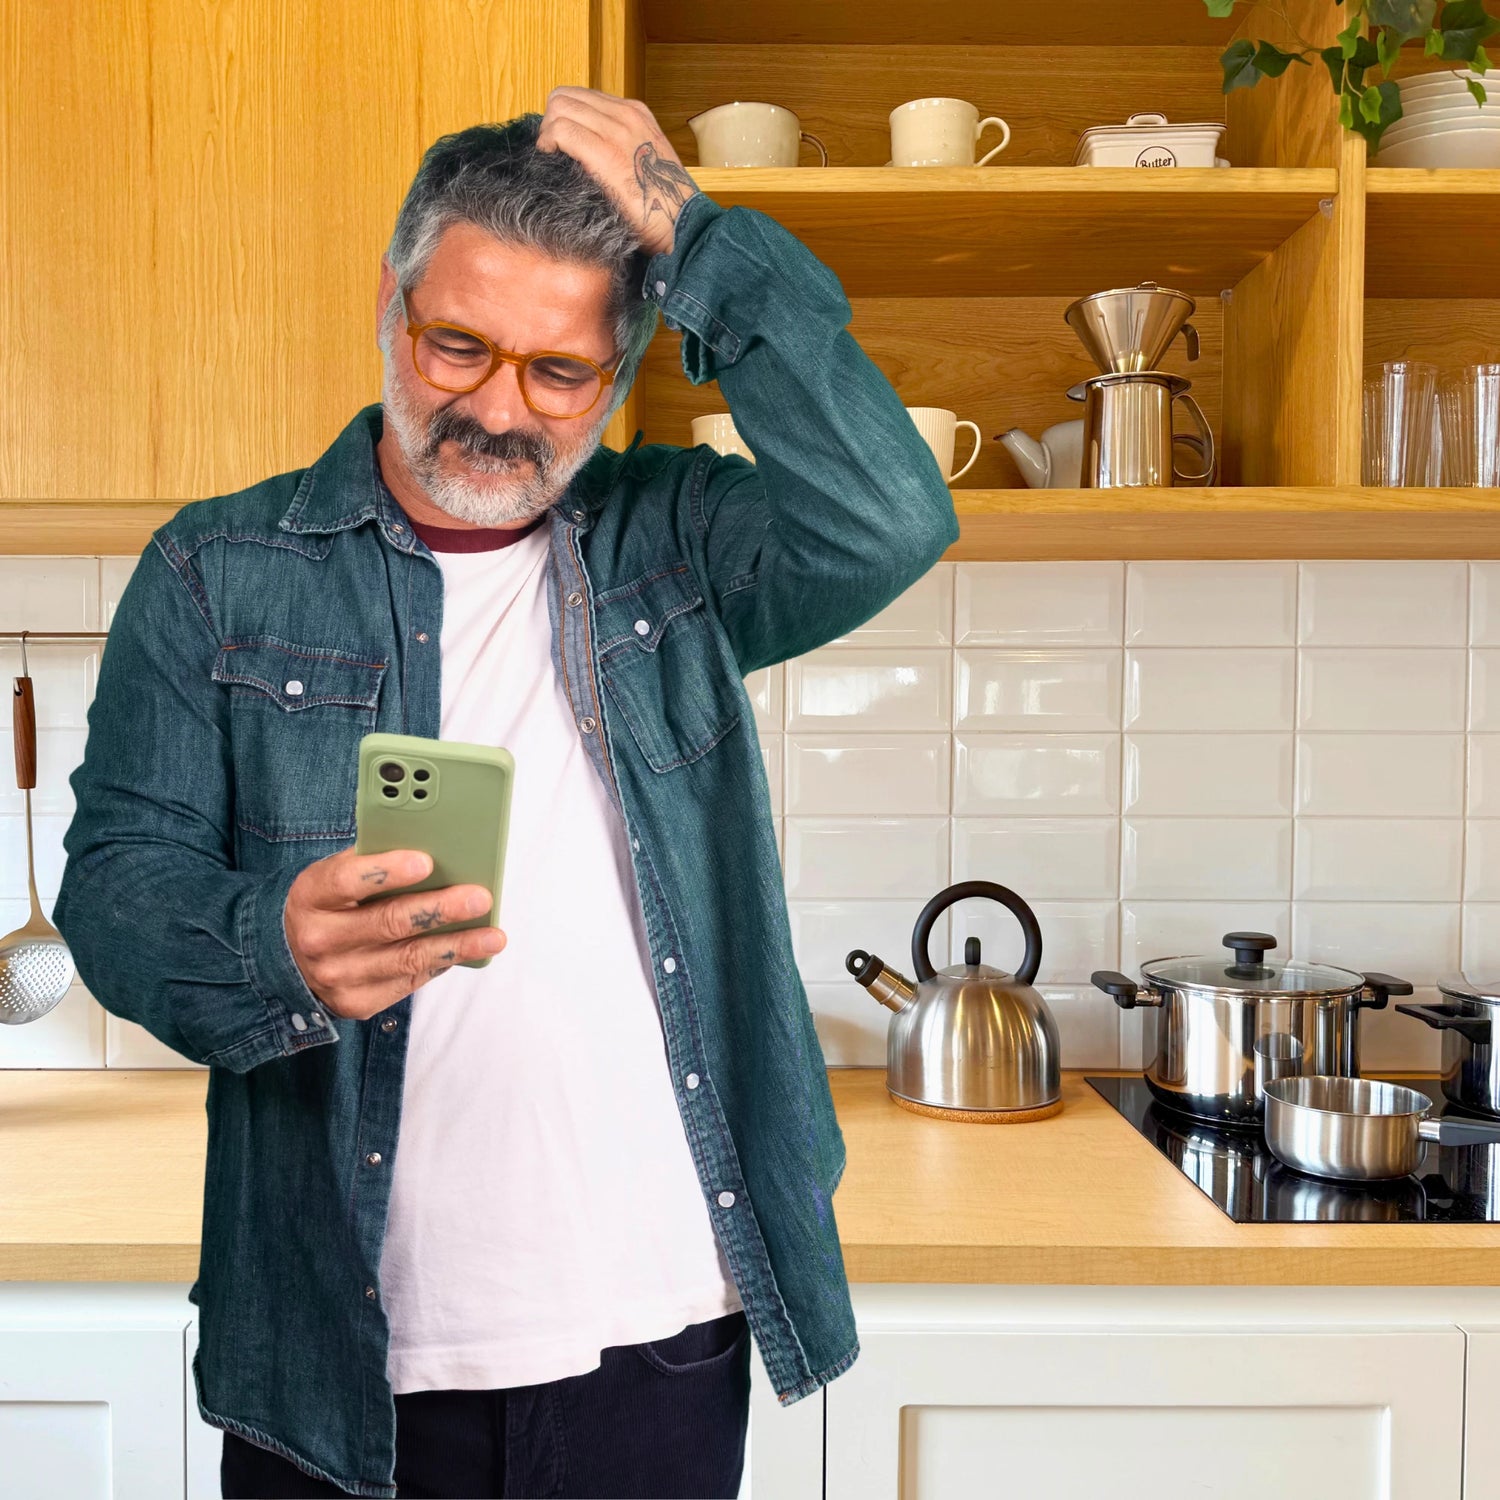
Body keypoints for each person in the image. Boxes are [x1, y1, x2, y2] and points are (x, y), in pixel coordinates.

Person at [53, 86, 958, 1498]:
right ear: (389, 303)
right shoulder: (213, 571)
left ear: (623, 369)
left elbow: (892, 515)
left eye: (559, 373)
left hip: (659, 1338)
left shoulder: (682, 542)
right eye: (457, 344)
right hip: (341, 1360)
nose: (494, 410)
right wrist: (264, 945)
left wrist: (691, 226)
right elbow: (113, 884)